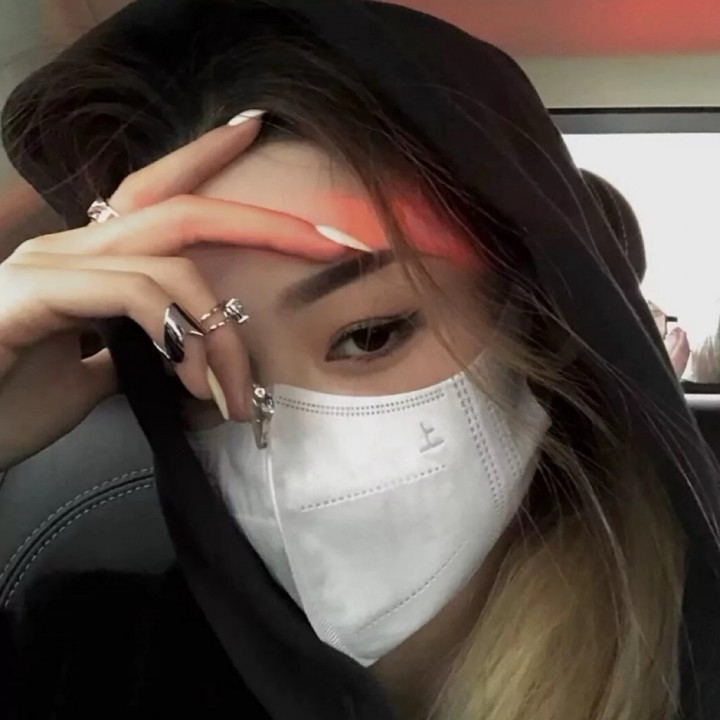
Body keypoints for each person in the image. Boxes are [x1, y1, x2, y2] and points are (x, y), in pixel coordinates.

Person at [0, 2, 719, 719]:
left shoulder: (693, 663)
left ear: (537, 321)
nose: (273, 436)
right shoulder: (91, 667)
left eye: (370, 334)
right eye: (199, 367)